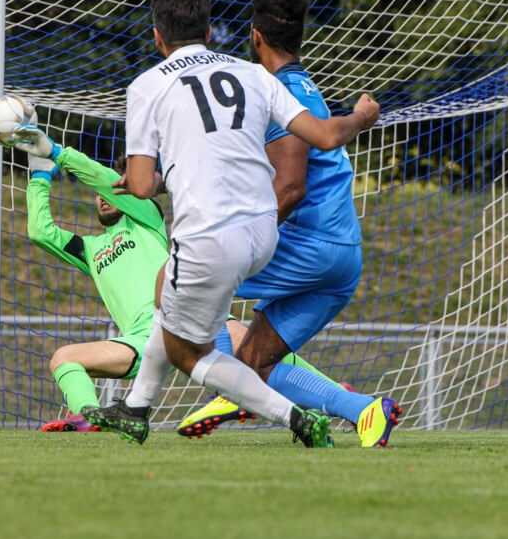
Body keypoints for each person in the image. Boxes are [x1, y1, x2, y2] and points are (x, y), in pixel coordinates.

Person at [18, 0, 378, 447]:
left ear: (157, 36)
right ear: (210, 33)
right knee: (166, 296)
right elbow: (328, 135)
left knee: (191, 354)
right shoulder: (253, 76)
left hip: (212, 234)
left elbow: (143, 187)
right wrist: (363, 116)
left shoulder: (148, 86)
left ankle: (297, 418)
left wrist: (138, 177)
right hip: (264, 231)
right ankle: (136, 410)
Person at [177, 0, 401, 448]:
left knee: (186, 276)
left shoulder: (278, 94)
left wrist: (245, 239)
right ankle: (366, 410)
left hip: (309, 246)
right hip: (344, 257)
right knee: (254, 362)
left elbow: (292, 186)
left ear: (255, 38)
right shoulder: (305, 87)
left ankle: (189, 395)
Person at [21, 144, 348, 433]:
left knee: (256, 354)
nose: (102, 199)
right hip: (140, 340)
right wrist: (40, 174)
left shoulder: (146, 218)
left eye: (110, 192)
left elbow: (101, 180)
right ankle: (88, 417)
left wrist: (57, 152)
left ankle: (337, 396)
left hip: (182, 311)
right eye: (98, 196)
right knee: (64, 357)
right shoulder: (89, 250)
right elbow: (41, 232)